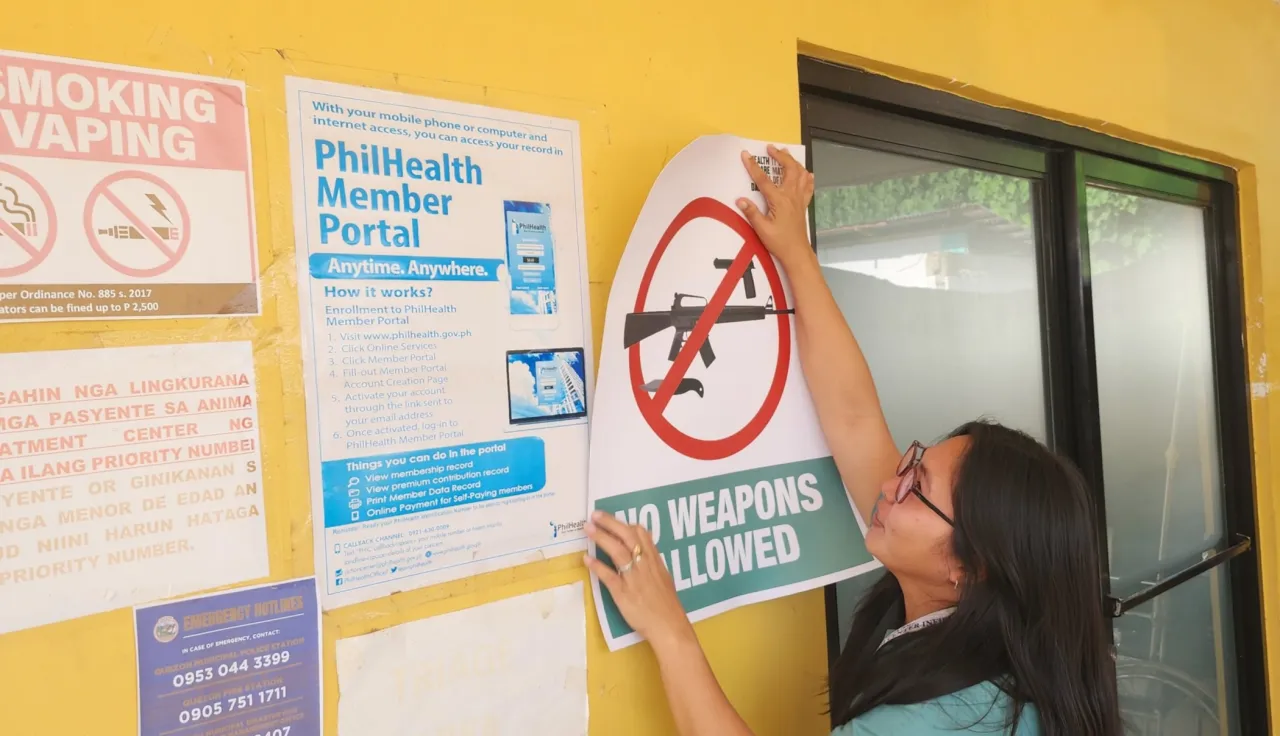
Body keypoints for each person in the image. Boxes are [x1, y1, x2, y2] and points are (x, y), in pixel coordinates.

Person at [584, 145, 1123, 736]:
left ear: (969, 567)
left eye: (917, 486)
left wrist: (669, 630)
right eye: (914, 462)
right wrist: (794, 249)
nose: (891, 483)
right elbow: (854, 417)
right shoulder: (1013, 657)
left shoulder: (935, 723)